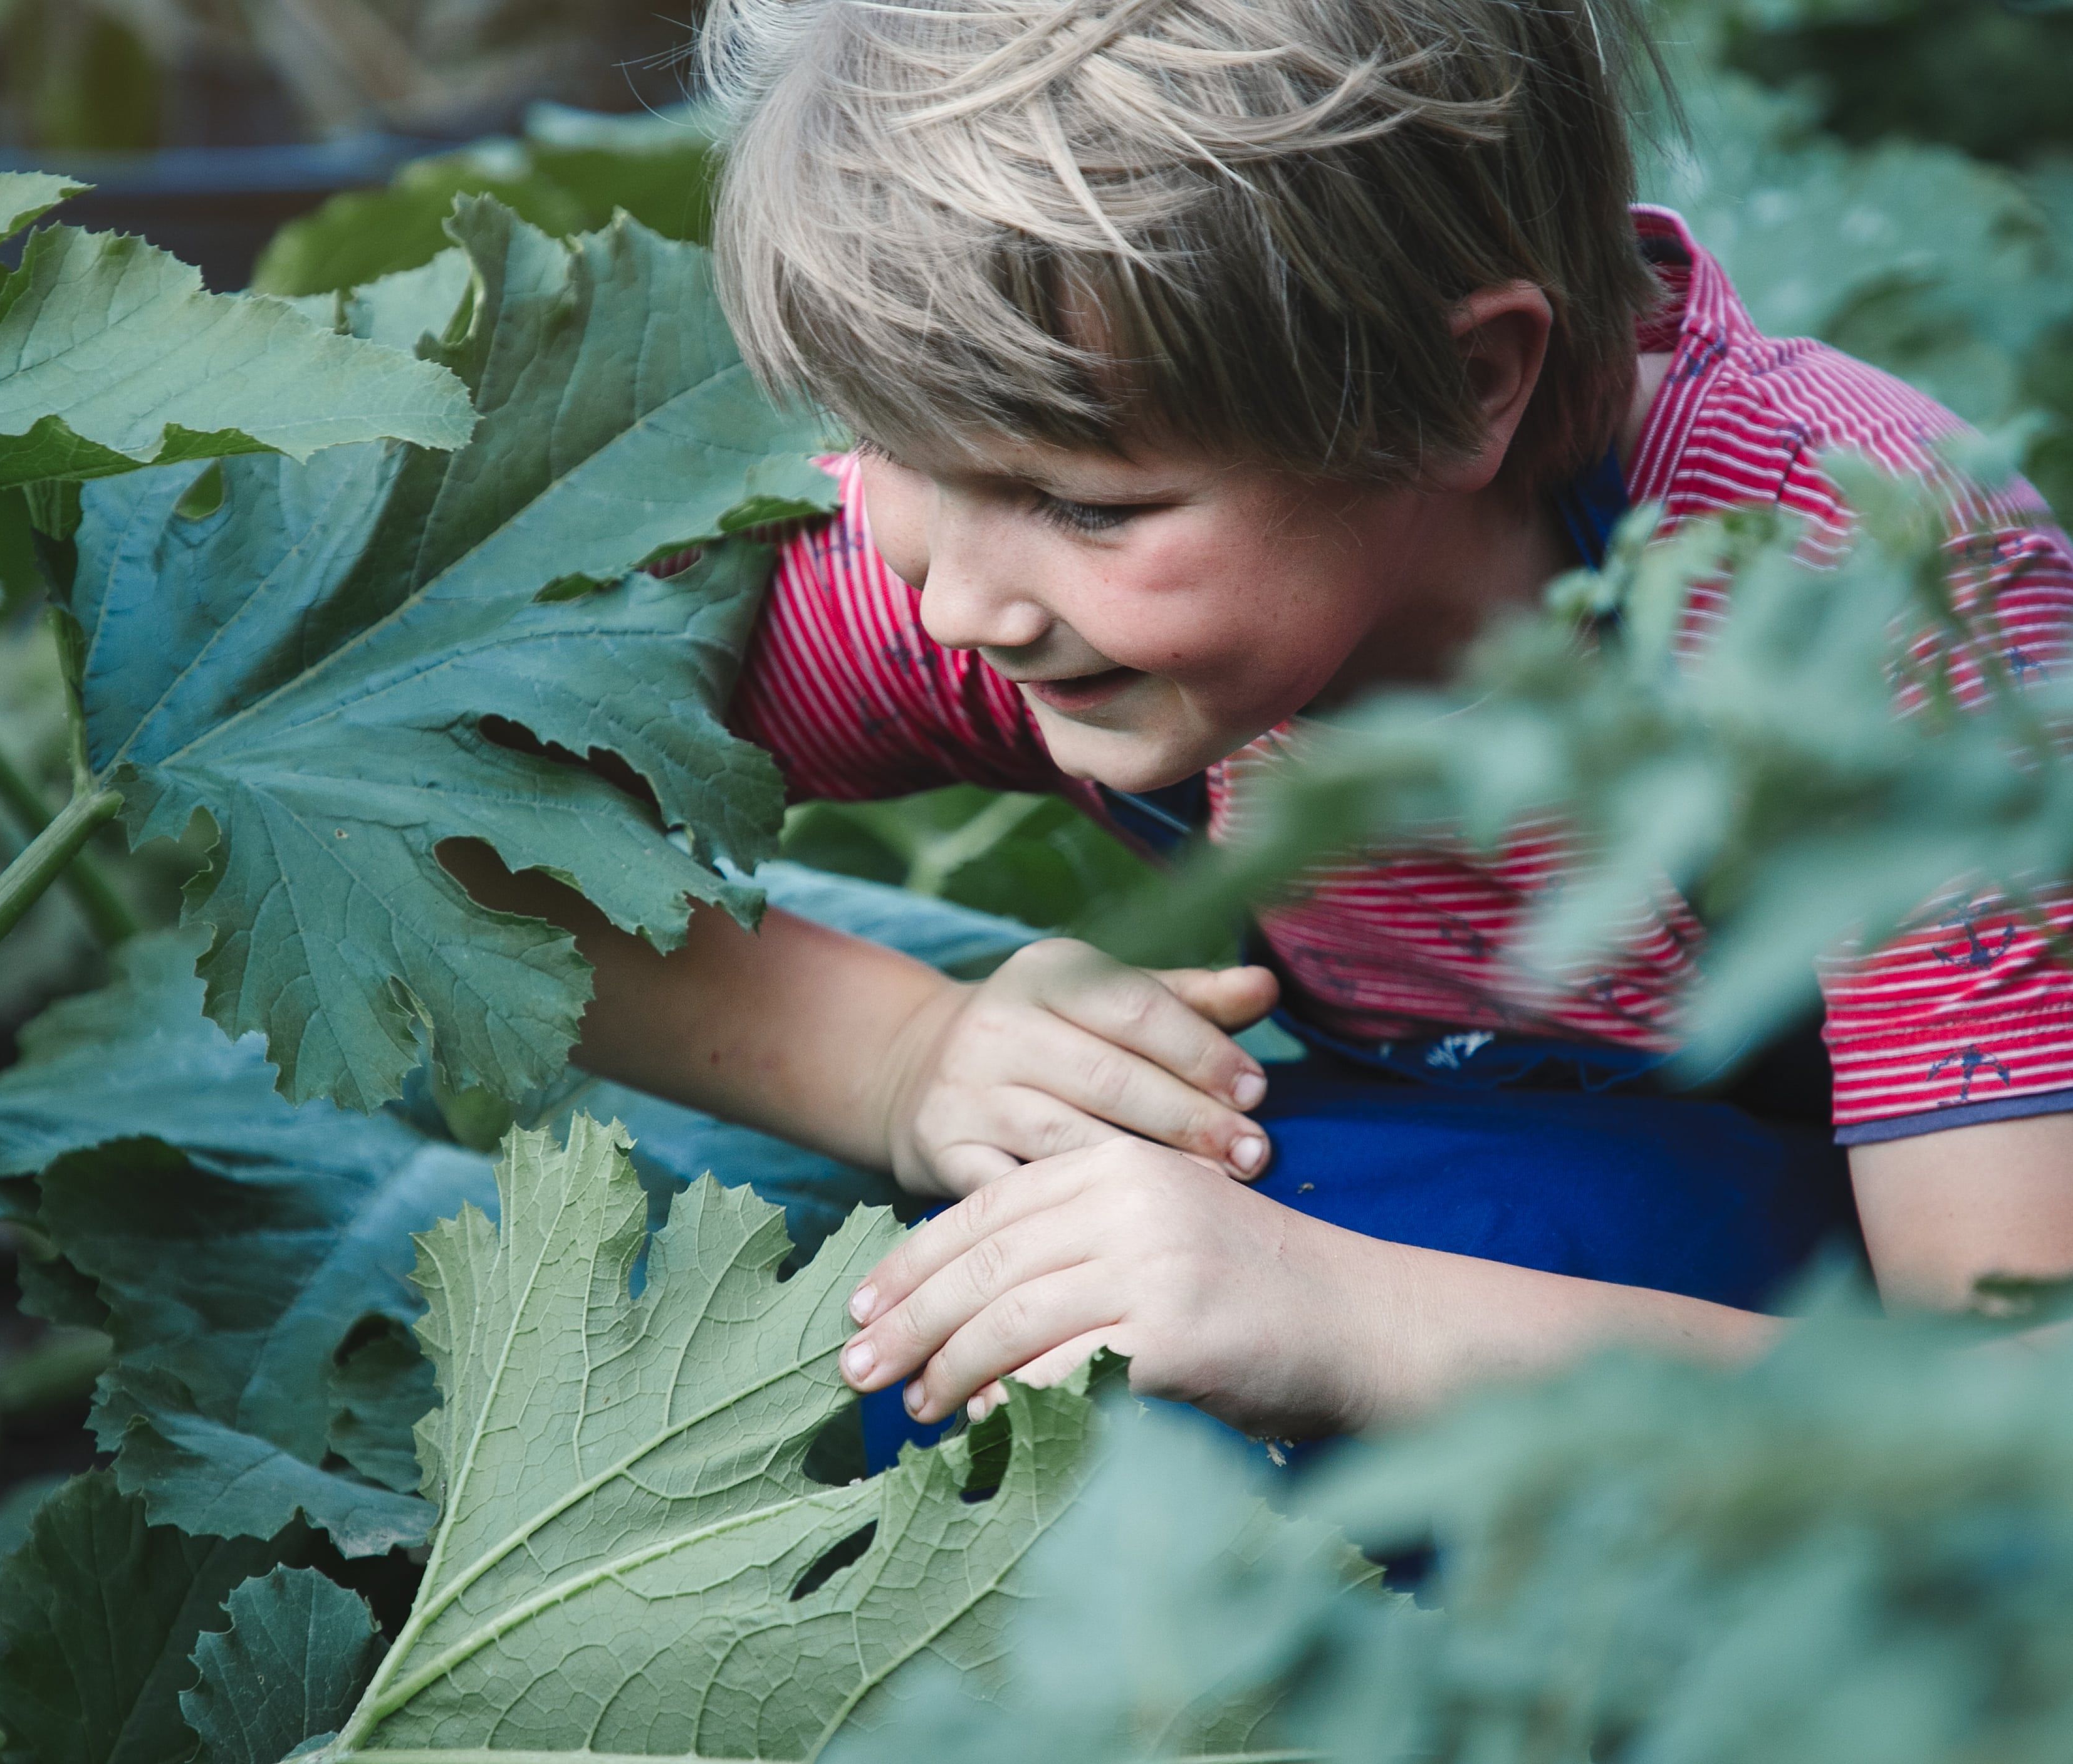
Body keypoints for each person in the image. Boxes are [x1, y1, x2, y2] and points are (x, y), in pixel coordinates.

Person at [469, 0, 2073, 1448]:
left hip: (1934, 1267)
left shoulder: (1863, 603)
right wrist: (900, 1058)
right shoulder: (991, 573)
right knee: (983, 1373)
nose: (957, 602)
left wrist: (1343, 1316)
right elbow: (429, 834)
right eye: (886, 445)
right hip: (1557, 1194)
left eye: (1080, 502)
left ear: (1466, 386)